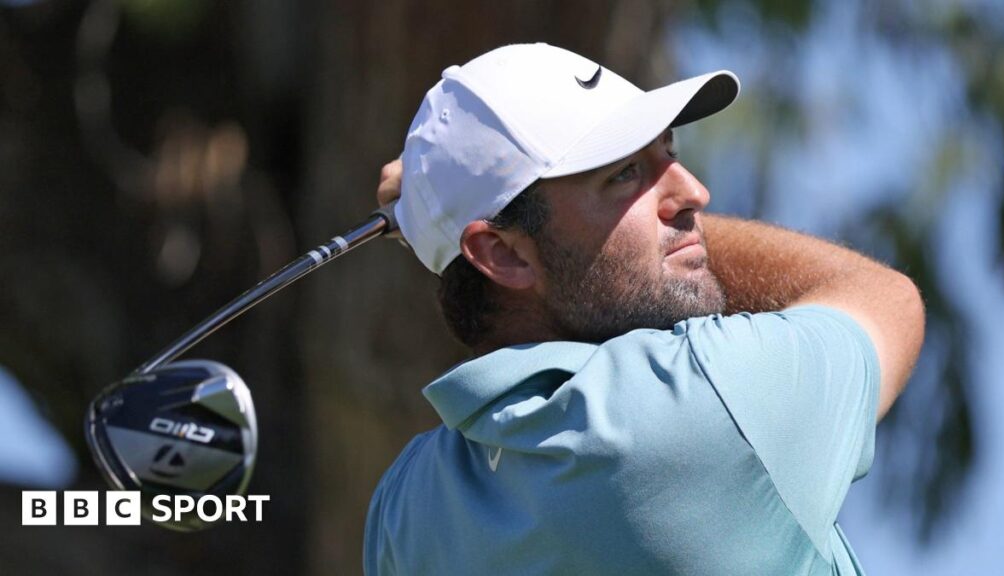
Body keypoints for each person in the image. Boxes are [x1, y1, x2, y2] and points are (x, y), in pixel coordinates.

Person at [364, 43, 924, 575]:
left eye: (669, 154)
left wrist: (436, 220)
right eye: (624, 173)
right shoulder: (703, 399)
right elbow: (881, 295)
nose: (695, 194)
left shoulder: (404, 514)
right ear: (502, 254)